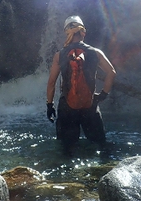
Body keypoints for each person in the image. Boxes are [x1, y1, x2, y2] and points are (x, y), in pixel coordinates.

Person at [46, 15, 116, 154]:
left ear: (67, 33)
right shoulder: (96, 52)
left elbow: (51, 82)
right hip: (90, 105)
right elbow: (111, 72)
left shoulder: (59, 55)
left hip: (67, 107)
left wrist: (50, 105)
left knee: (67, 150)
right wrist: (103, 95)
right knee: (100, 147)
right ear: (83, 32)